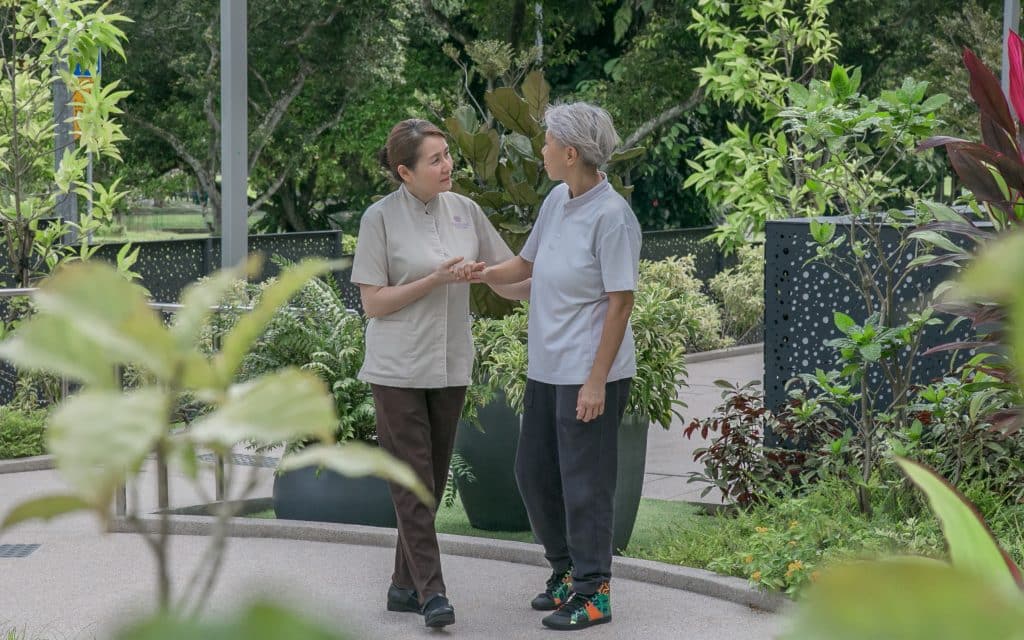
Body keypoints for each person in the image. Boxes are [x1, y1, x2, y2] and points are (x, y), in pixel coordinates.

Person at [463, 102, 641, 631]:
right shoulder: (557, 200)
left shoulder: (613, 217)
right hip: (546, 368)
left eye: (546, 143)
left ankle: (594, 592)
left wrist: (595, 381)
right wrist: (482, 273)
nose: (539, 150)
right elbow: (526, 266)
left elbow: (621, 302)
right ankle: (566, 571)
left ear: (570, 152)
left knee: (585, 483)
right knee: (534, 473)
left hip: (589, 374)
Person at [350, 118, 529, 628]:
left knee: (431, 477)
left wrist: (554, 286)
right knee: (415, 485)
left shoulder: (466, 211)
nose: (448, 164)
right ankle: (433, 594)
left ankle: (402, 586)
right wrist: (434, 279)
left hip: (451, 366)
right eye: (435, 159)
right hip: (397, 369)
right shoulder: (378, 219)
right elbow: (374, 304)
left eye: (448, 155)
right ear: (405, 171)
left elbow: (507, 275)